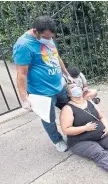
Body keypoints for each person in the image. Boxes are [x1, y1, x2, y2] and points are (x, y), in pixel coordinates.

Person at [13, 16, 72, 152]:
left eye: (50, 36)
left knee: (70, 111)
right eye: (46, 36)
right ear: (35, 31)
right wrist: (24, 98)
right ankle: (57, 140)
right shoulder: (23, 45)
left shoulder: (48, 37)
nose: (49, 39)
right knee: (49, 119)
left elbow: (56, 57)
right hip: (42, 93)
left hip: (59, 86)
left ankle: (72, 134)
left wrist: (67, 74)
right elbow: (21, 74)